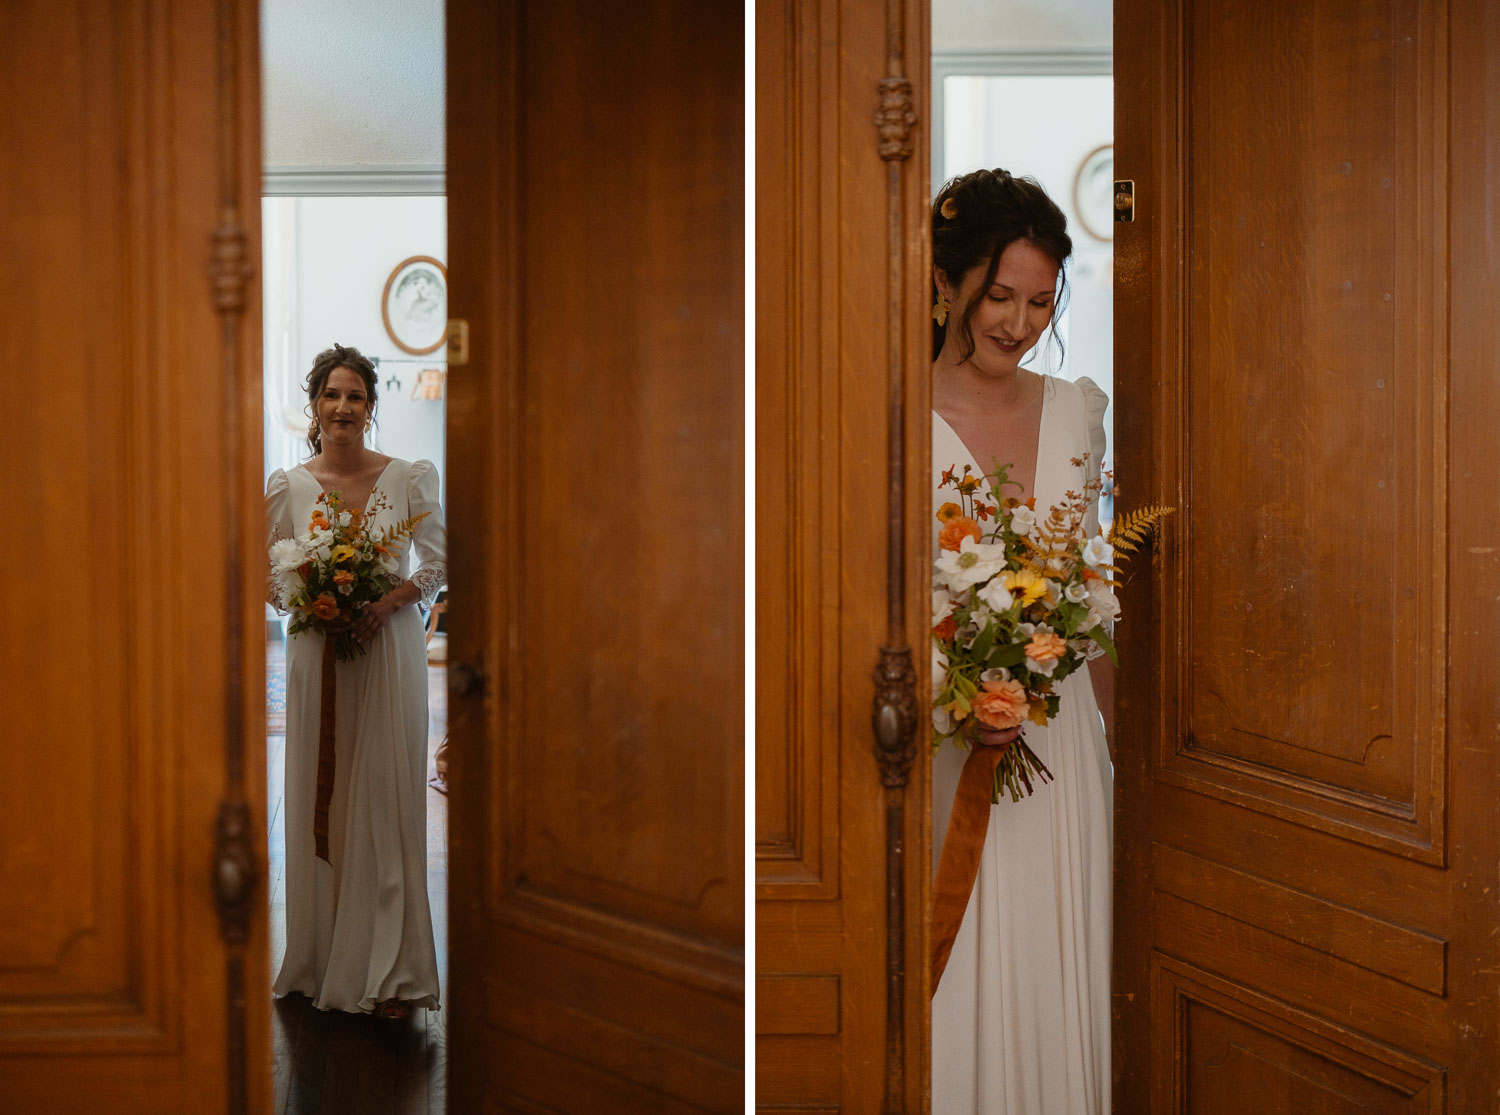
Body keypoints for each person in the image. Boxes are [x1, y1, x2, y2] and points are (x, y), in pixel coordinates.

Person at [928, 169, 1113, 1112]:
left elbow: (1086, 574)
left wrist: (1062, 657)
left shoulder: (1080, 410)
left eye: (1041, 301)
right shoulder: (889, 413)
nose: (1019, 321)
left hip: (1059, 731)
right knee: (963, 949)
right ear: (944, 281)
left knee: (1053, 937)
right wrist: (958, 685)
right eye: (999, 295)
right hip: (946, 728)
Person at [265, 343, 446, 1019]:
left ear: (371, 408)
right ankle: (319, 960)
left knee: (386, 795)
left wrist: (388, 601)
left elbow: (438, 560)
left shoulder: (408, 477)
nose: (343, 407)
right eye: (332, 395)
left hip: (388, 646)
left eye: (356, 397)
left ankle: (393, 973)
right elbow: (263, 571)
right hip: (317, 652)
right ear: (316, 405)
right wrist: (305, 596)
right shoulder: (289, 485)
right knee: (325, 795)